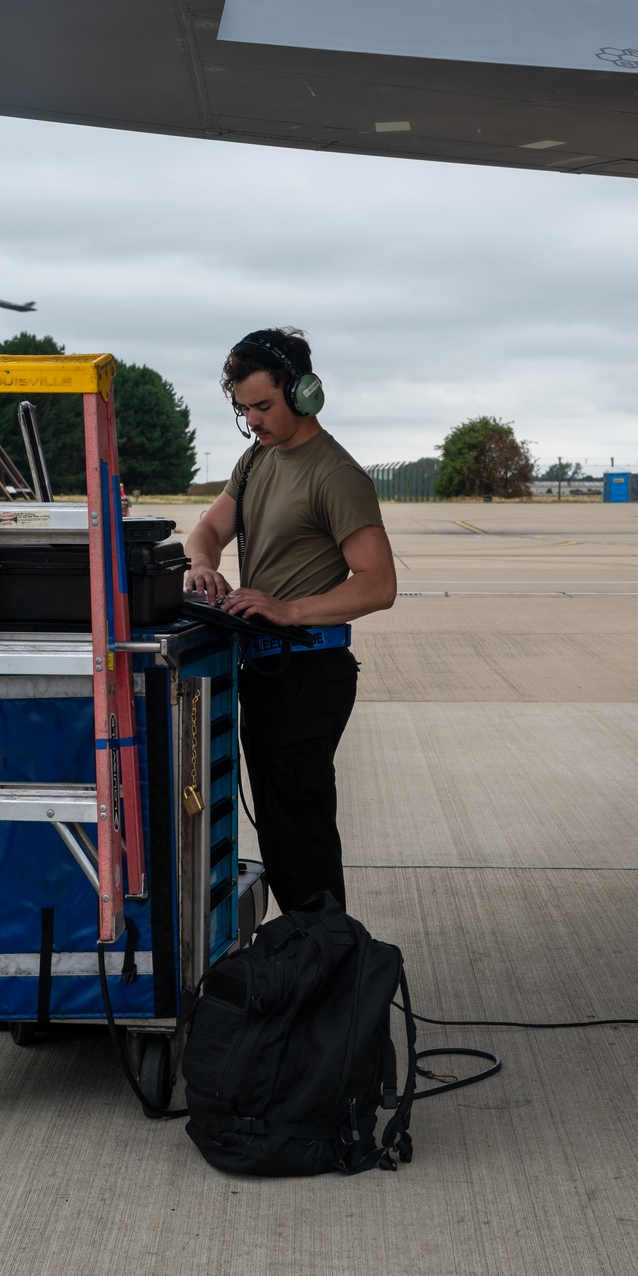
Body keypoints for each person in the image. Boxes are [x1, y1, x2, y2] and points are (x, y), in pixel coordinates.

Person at [184, 327, 397, 913]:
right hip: (268, 674)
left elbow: (379, 584)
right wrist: (202, 565)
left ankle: (325, 968)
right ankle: (308, 961)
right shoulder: (256, 460)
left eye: (263, 405)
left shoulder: (335, 474)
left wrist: (287, 609)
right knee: (281, 835)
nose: (253, 420)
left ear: (303, 393)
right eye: (243, 408)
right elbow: (206, 530)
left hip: (310, 673)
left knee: (301, 842)